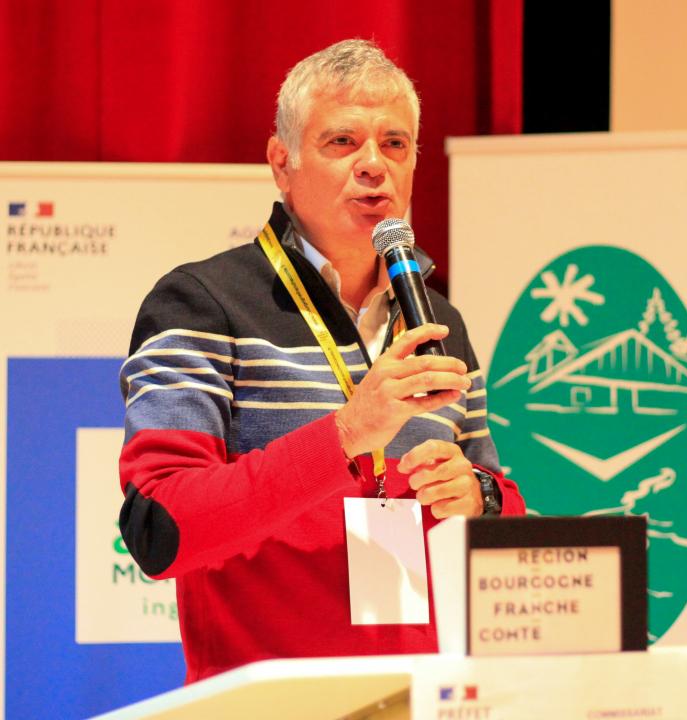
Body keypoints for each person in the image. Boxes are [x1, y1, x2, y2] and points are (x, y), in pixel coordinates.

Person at [118, 39, 525, 683]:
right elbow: (161, 529)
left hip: (427, 695)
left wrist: (479, 496)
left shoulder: (436, 321)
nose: (374, 166)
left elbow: (499, 499)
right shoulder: (201, 304)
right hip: (271, 701)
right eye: (342, 142)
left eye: (395, 144)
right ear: (282, 162)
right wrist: (346, 434)